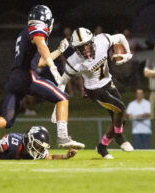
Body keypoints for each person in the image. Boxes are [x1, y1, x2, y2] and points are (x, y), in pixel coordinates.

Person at [0, 5, 84, 150]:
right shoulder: (37, 30)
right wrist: (53, 67)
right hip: (26, 75)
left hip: (14, 78)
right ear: (47, 20)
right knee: (62, 98)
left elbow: (39, 61)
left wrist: (58, 51)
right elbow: (41, 46)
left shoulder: (25, 32)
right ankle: (63, 137)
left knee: (6, 120)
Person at [53, 27, 134, 159]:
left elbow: (120, 36)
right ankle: (119, 137)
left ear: (92, 41)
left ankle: (102, 147)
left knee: (120, 120)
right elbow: (63, 81)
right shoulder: (74, 61)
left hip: (108, 82)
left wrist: (128, 53)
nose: (85, 49)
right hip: (94, 90)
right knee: (120, 109)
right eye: (81, 47)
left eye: (86, 45)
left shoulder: (102, 41)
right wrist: (57, 99)